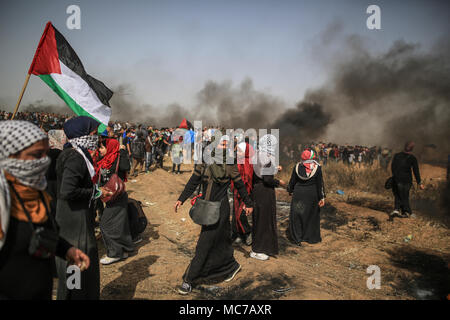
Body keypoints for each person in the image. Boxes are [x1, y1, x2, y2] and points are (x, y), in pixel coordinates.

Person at [0, 120, 90, 300]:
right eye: (35, 155)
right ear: (10, 155)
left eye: (44, 154)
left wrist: (67, 250)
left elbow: (44, 233)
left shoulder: (37, 191)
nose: (43, 162)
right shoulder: (3, 198)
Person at [174, 135, 253, 295]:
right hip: (206, 208)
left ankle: (189, 280)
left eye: (226, 143)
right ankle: (231, 266)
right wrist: (181, 199)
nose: (224, 145)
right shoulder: (204, 161)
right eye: (221, 142)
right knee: (220, 241)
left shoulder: (230, 163)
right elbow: (193, 181)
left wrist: (248, 203)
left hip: (220, 209)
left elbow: (239, 185)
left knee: (204, 243)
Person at [55, 116, 106, 300]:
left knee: (79, 273)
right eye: (93, 133)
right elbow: (67, 190)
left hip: (75, 220)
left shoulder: (74, 153)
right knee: (76, 271)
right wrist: (94, 192)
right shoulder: (75, 157)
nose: (96, 137)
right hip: (74, 226)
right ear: (82, 134)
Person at [94, 138, 134, 265]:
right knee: (120, 224)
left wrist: (122, 152)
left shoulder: (118, 158)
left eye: (102, 147)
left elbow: (126, 167)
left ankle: (114, 253)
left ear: (110, 147)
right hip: (109, 197)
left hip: (118, 195)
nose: (100, 150)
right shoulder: (104, 160)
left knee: (105, 224)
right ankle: (125, 249)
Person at [250, 134, 286, 261]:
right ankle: (257, 250)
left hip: (257, 190)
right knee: (263, 221)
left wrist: (274, 168)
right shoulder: (266, 157)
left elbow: (261, 171)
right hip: (264, 192)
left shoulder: (258, 154)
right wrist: (279, 183)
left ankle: (262, 247)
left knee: (260, 219)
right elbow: (267, 179)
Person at [287, 149, 325, 246]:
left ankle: (297, 238)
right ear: (312, 157)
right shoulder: (317, 168)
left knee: (298, 215)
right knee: (311, 216)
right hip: (312, 195)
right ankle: (310, 237)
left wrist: (290, 190)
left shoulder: (297, 167)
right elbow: (319, 184)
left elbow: (292, 182)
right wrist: (322, 197)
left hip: (299, 194)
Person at [389, 141, 424, 219]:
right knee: (405, 195)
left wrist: (395, 176)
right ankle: (406, 212)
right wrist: (419, 183)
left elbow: (393, 167)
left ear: (404, 147)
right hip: (407, 180)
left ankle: (398, 210)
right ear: (412, 149)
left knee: (398, 194)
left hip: (398, 179)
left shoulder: (397, 156)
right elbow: (416, 171)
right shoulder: (413, 158)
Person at [230, 142, 254, 246]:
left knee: (241, 215)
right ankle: (239, 234)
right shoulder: (237, 162)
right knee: (235, 215)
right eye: (237, 150)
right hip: (236, 191)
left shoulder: (251, 163)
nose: (237, 153)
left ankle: (248, 232)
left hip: (247, 193)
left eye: (240, 151)